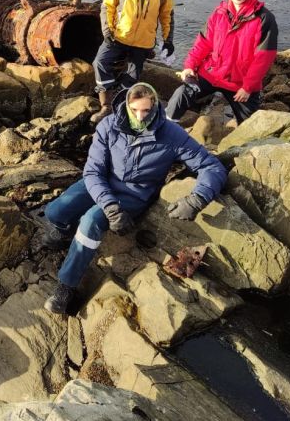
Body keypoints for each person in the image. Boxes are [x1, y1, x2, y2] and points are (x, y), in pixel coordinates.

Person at [42, 83, 226, 314]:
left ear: (156, 107)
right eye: (135, 110)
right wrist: (110, 206)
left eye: (146, 111)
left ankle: (66, 286)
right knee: (55, 211)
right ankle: (64, 230)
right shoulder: (109, 125)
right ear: (126, 106)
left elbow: (212, 166)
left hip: (134, 194)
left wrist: (197, 199)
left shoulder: (172, 134)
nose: (140, 116)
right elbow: (92, 171)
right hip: (102, 182)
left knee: (90, 222)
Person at [166, 0, 278, 125]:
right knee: (182, 94)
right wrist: (189, 66)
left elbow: (264, 58)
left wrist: (247, 87)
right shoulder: (219, 13)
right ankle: (164, 128)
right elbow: (203, 42)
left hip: (241, 84)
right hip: (212, 75)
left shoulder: (264, 18)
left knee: (249, 126)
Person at [93, 0, 174, 121]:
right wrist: (108, 31)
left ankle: (120, 107)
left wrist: (168, 40)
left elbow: (167, 14)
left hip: (143, 42)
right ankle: (106, 106)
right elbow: (107, 6)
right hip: (119, 36)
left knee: (133, 76)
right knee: (100, 62)